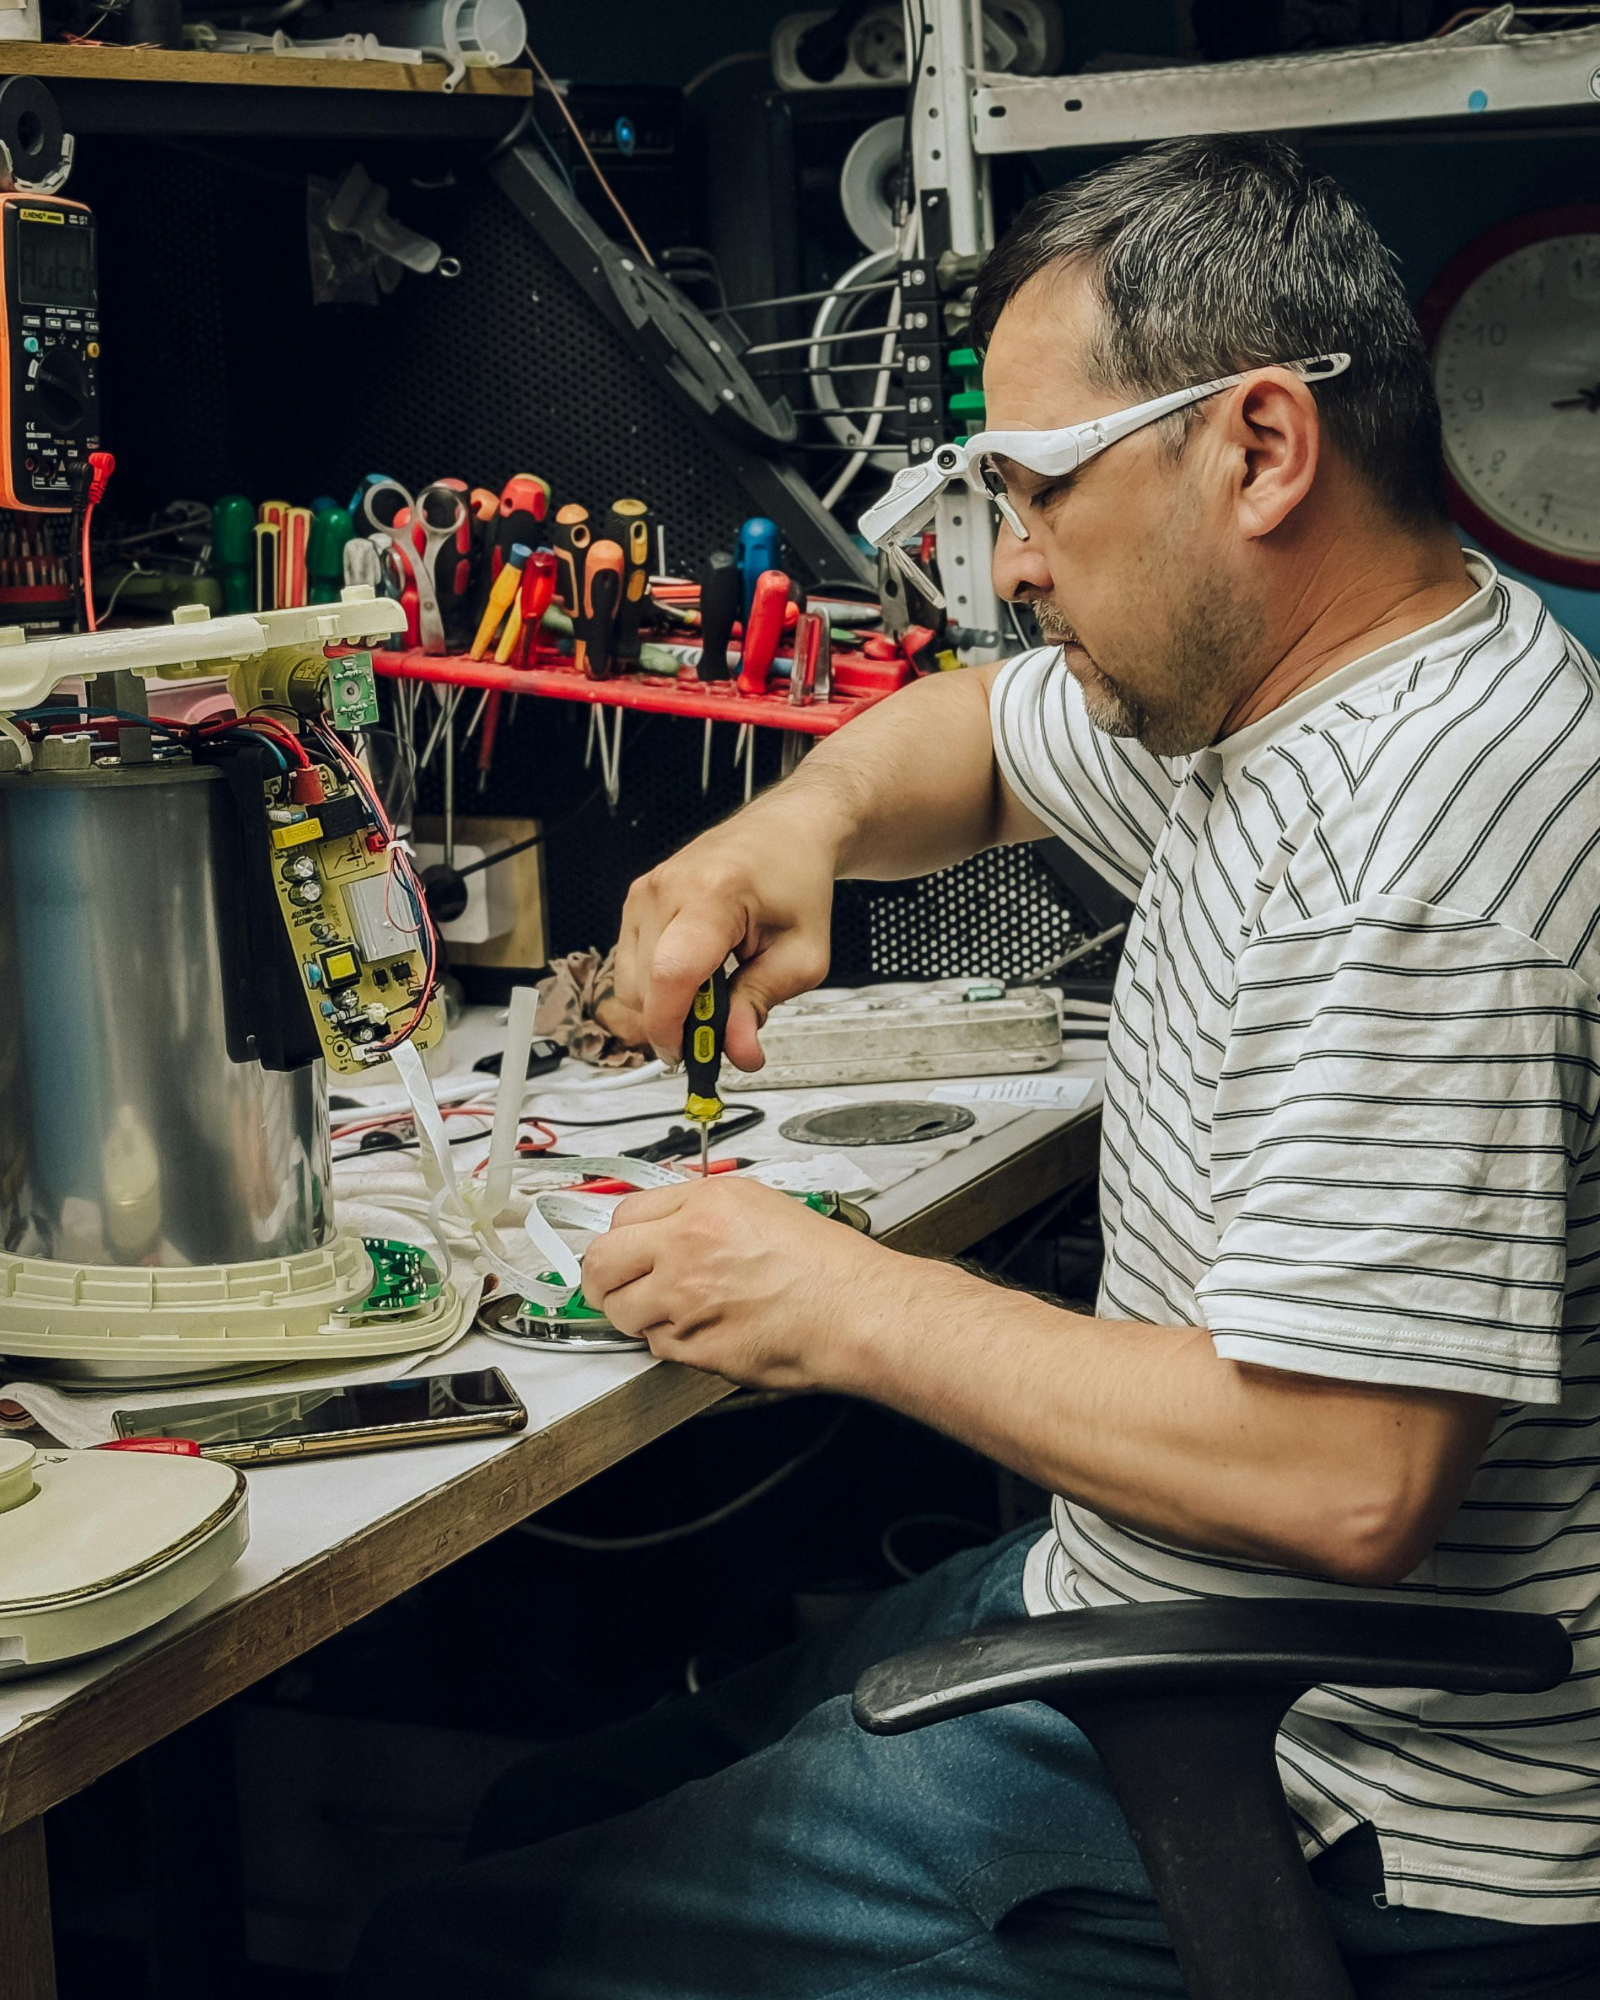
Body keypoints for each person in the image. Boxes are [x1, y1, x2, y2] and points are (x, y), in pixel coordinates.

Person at [346, 136, 1600, 1998]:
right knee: (547, 1807)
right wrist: (792, 830)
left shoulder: (1419, 859)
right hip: (1164, 1610)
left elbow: (1343, 1475)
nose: (1010, 563)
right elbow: (985, 736)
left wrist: (838, 1298)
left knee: (451, 1957)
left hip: (1357, 1795)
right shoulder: (1299, 694)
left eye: (1036, 490)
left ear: (1260, 449)